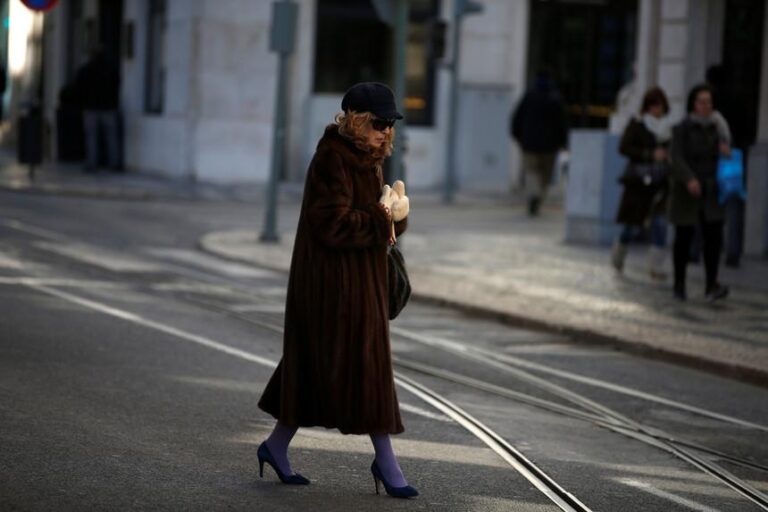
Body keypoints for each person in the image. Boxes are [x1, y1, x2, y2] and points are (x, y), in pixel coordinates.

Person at [257, 82, 417, 498]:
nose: (386, 131)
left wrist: (396, 217)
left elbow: (379, 227)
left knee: (316, 369)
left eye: (390, 124)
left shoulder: (369, 159)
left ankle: (275, 446)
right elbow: (332, 224)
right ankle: (387, 463)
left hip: (360, 286)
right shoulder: (332, 159)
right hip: (330, 287)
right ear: (356, 120)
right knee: (355, 370)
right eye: (379, 123)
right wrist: (383, 217)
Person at [669, 84, 730, 302]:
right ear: (693, 104)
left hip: (711, 189)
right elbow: (676, 156)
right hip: (688, 191)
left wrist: (725, 152)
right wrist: (689, 178)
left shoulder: (718, 128)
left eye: (709, 102)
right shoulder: (683, 128)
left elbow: (726, 159)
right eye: (702, 101)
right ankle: (679, 285)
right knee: (683, 238)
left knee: (714, 237)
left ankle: (711, 285)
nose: (706, 106)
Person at [612, 87, 672, 279]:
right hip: (639, 182)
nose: (657, 109)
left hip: (661, 182)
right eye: (653, 105)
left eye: (660, 105)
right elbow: (624, 148)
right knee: (632, 226)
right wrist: (649, 154)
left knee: (660, 223)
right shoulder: (637, 125)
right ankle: (619, 253)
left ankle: (656, 267)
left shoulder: (668, 128)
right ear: (646, 107)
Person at [511, 68, 568, 216]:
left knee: (531, 172)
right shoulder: (555, 99)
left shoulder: (529, 97)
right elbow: (562, 124)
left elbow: (516, 119)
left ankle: (533, 195)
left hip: (529, 143)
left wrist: (519, 137)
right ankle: (538, 197)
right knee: (545, 175)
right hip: (550, 146)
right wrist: (563, 142)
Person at [74, 47, 121, 172]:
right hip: (108, 106)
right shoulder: (110, 69)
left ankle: (92, 163)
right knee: (111, 136)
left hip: (92, 106)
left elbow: (79, 87)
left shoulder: (86, 70)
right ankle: (113, 162)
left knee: (92, 136)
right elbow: (116, 85)